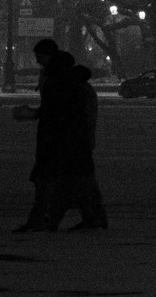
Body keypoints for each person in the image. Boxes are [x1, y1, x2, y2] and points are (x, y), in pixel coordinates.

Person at [11, 41, 76, 232]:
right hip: (57, 133)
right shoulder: (58, 74)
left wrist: (34, 114)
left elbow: (53, 108)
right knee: (52, 178)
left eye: (39, 56)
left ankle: (40, 218)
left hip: (54, 134)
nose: (37, 60)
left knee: (46, 178)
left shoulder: (55, 77)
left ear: (48, 56)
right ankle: (48, 217)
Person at [44, 64, 108, 231]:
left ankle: (55, 220)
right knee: (84, 183)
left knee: (68, 183)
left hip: (75, 142)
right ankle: (95, 217)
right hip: (82, 142)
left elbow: (71, 116)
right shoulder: (86, 91)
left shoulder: (77, 92)